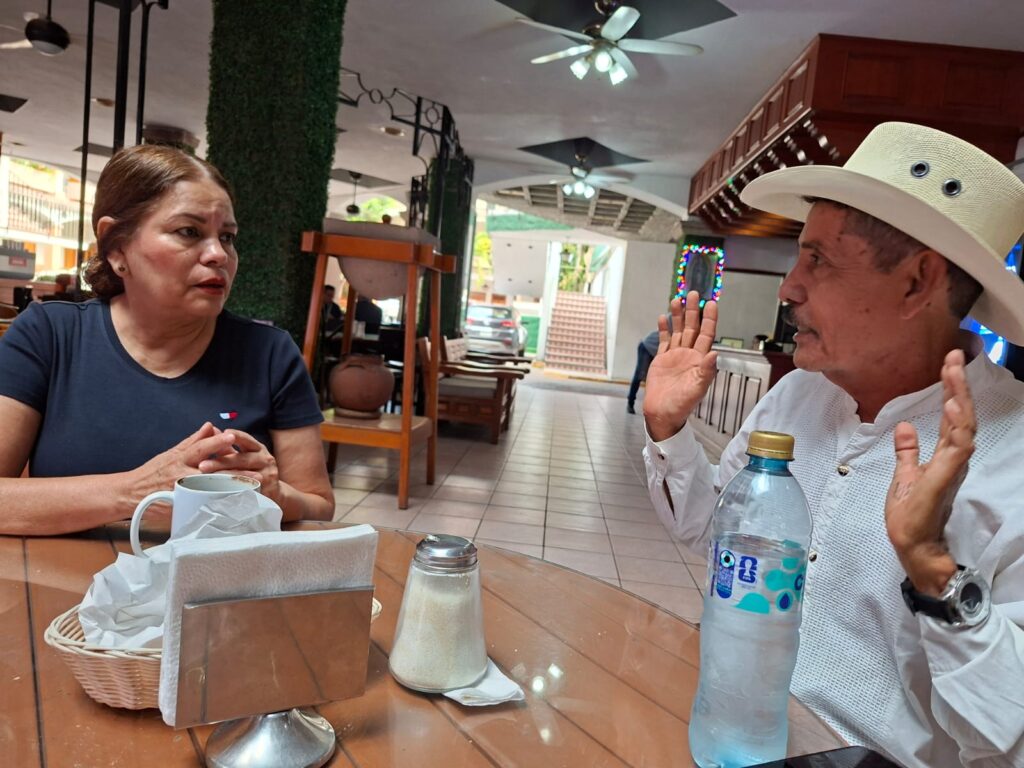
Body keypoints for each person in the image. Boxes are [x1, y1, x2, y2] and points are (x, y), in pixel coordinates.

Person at [642, 123, 1024, 768]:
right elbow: (716, 535)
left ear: (916, 283)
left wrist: (933, 569)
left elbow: (1007, 739)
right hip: (726, 731)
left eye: (818, 260)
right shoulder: (798, 394)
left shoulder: (1012, 457)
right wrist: (668, 431)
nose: (788, 287)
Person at [0, 144, 334, 535]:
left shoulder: (270, 353)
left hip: (212, 574)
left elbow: (319, 505)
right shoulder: (49, 335)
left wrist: (275, 496)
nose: (218, 255)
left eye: (227, 237)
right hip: (56, 573)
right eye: (189, 232)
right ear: (116, 246)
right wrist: (136, 491)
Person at [627, 329, 660, 414]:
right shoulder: (676, 323)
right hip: (647, 347)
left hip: (654, 351)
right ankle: (630, 402)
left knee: (653, 379)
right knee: (639, 375)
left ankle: (651, 407)